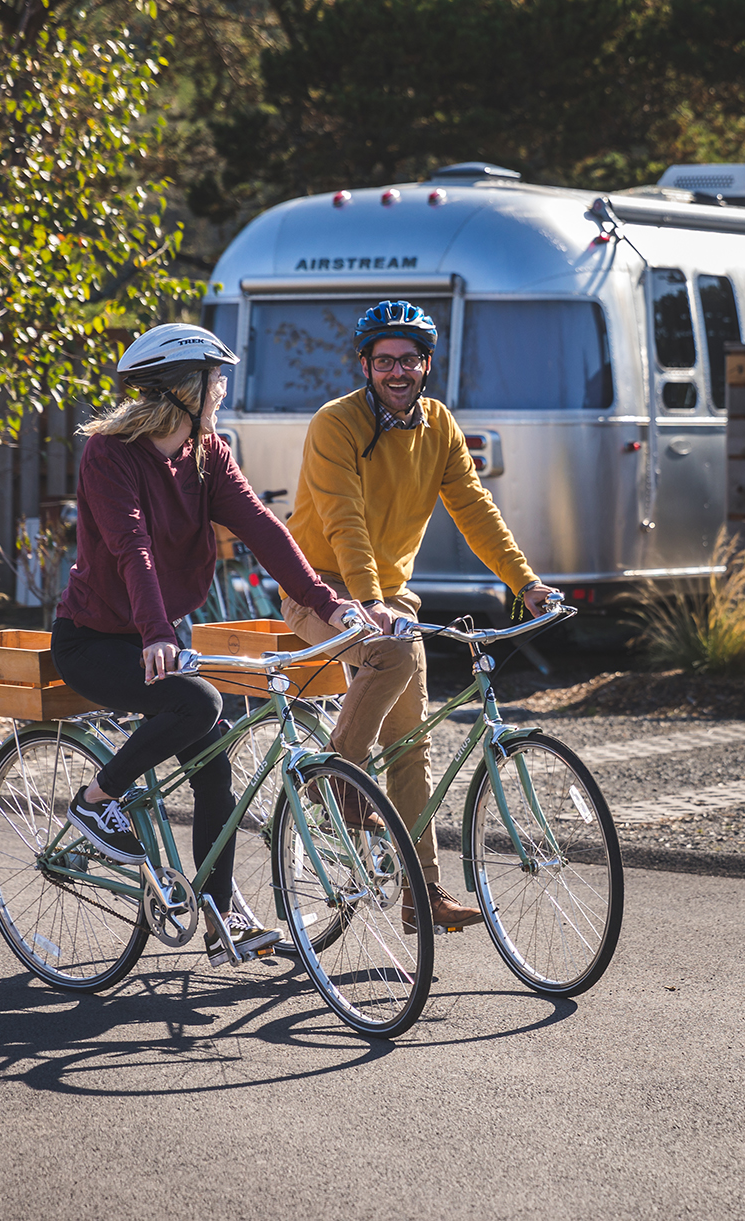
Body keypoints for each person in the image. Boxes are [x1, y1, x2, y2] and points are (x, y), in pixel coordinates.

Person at [53, 322, 361, 965]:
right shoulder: (110, 456)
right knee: (196, 704)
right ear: (185, 389)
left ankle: (220, 913)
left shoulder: (207, 452)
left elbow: (263, 529)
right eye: (215, 378)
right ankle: (95, 801)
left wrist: (327, 602)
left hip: (159, 632)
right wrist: (157, 633)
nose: (223, 388)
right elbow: (129, 546)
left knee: (212, 759)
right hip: (95, 639)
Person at [282, 300, 557, 933]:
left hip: (388, 597)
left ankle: (421, 893)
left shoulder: (439, 425)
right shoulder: (337, 423)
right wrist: (369, 601)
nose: (396, 370)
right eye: (384, 361)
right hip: (320, 590)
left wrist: (526, 582)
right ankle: (337, 784)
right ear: (365, 366)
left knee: (412, 746)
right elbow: (342, 516)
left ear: (425, 364)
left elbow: (474, 508)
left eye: (407, 359)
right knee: (393, 654)